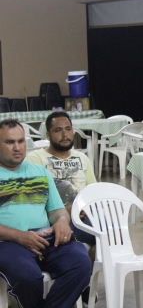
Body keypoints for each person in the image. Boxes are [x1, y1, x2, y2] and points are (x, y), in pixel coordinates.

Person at [0, 118, 91, 308]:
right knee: (27, 276)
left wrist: (61, 222)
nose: (17, 147)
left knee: (81, 263)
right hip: (8, 242)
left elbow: (57, 211)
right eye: (9, 142)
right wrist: (19, 236)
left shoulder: (40, 172)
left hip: (47, 237)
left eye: (21, 141)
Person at [25, 111, 97, 305]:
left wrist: (85, 206)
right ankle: (80, 284)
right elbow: (37, 199)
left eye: (68, 129)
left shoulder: (83, 158)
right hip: (55, 219)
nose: (65, 134)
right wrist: (68, 209)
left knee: (110, 233)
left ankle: (86, 283)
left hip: (83, 216)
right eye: (58, 130)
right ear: (48, 135)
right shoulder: (36, 159)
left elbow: (93, 191)